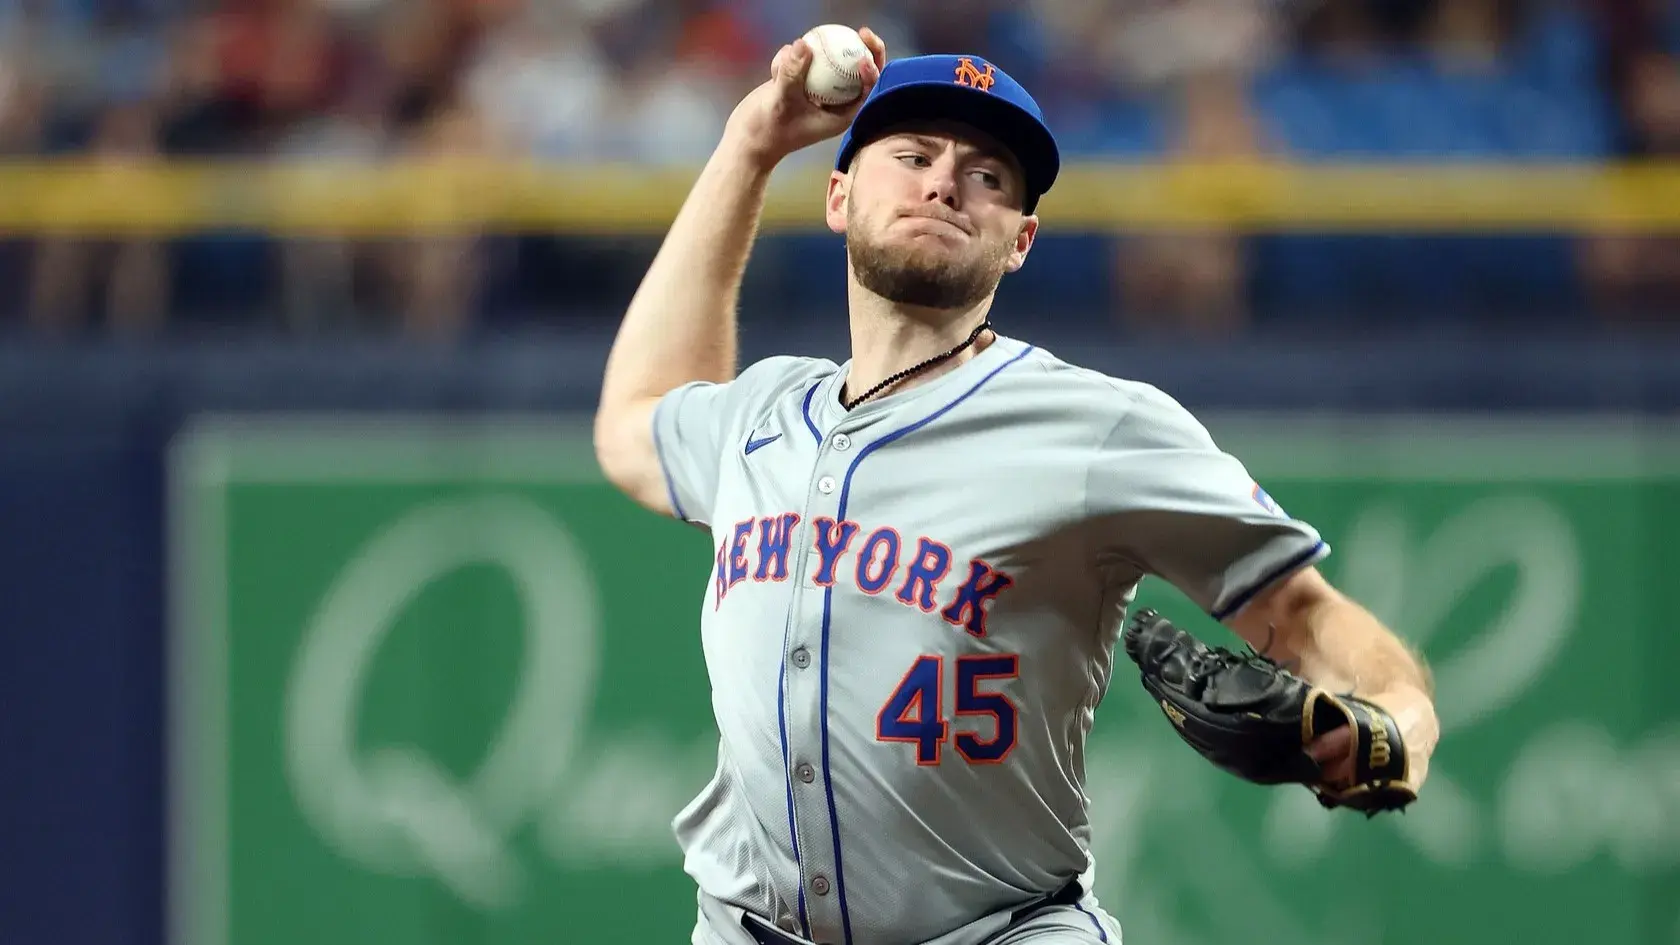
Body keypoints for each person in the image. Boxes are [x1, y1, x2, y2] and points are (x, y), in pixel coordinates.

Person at [593, 27, 1439, 945]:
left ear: (1021, 241)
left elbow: (1303, 608)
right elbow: (637, 415)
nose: (946, 180)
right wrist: (750, 145)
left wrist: (1399, 721)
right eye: (912, 154)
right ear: (837, 196)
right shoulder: (761, 412)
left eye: (990, 175)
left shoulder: (1096, 427)